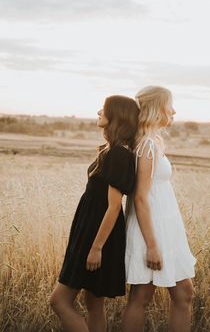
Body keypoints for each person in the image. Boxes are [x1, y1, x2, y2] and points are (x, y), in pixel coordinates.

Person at [50, 95, 139, 332]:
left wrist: (96, 247)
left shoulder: (119, 154)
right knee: (93, 303)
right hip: (90, 228)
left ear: (117, 116)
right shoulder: (109, 150)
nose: (99, 111)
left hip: (96, 234)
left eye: (104, 108)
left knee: (59, 301)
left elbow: (113, 206)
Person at [122, 86, 196, 332]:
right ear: (156, 109)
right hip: (153, 232)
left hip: (164, 228)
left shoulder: (150, 143)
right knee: (142, 298)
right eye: (169, 105)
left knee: (182, 294)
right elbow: (140, 199)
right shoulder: (146, 147)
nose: (173, 110)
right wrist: (152, 246)